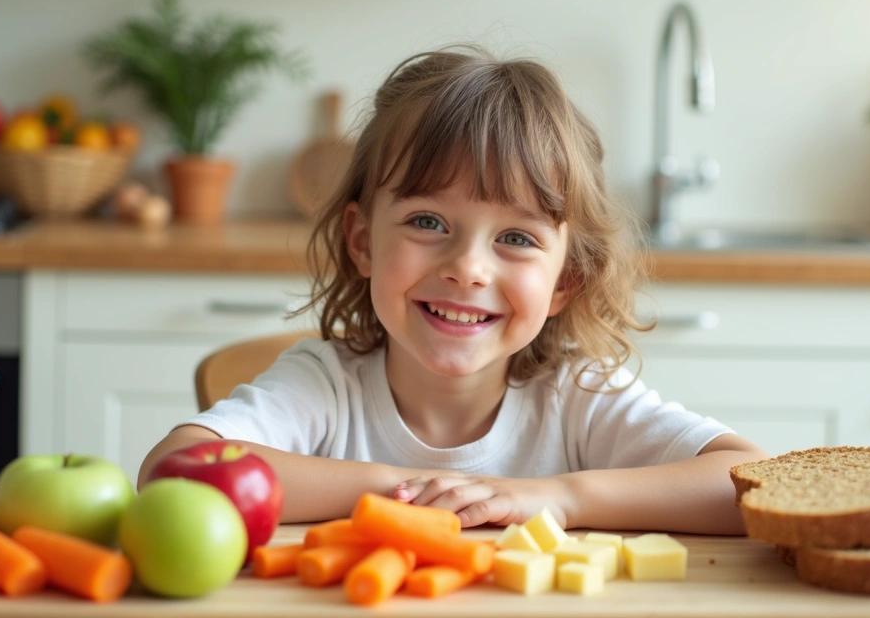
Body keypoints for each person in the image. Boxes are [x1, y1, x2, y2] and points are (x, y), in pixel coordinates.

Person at [139, 45, 769, 533]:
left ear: (565, 280)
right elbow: (174, 472)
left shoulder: (575, 397)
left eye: (517, 238)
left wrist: (559, 496)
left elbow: (751, 484)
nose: (467, 268)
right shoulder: (324, 385)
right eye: (427, 222)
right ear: (362, 241)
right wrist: (402, 487)